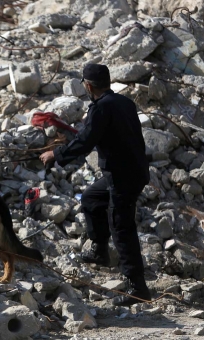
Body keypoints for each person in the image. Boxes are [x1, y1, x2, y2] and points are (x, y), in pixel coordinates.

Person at [39, 64, 151, 306]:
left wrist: (55, 155)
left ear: (88, 86)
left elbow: (85, 140)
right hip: (132, 171)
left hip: (122, 176)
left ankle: (137, 288)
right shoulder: (124, 103)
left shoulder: (101, 109)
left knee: (121, 226)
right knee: (91, 198)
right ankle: (99, 250)